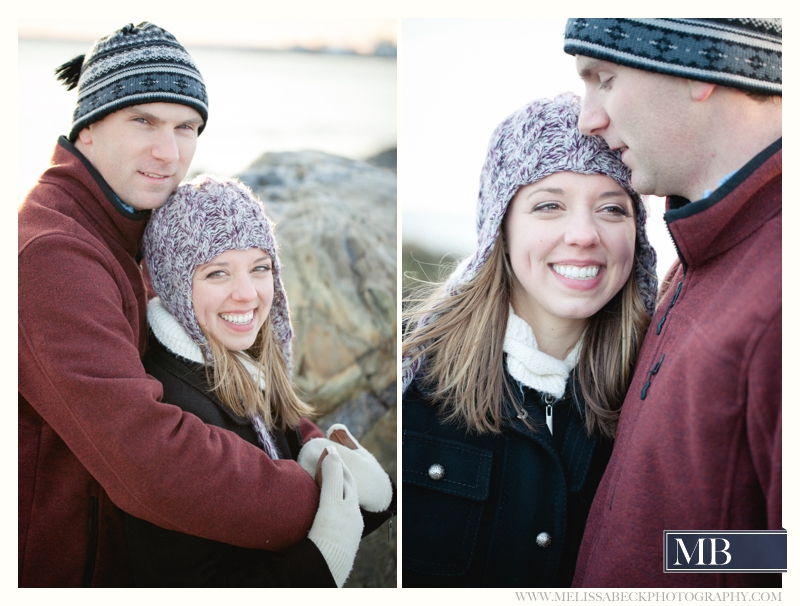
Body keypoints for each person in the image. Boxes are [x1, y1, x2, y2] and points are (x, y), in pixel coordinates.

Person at [18, 22, 360, 587]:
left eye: (187, 128)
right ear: (89, 125)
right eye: (143, 121)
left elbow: (222, 359)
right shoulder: (51, 254)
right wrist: (314, 496)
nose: (168, 152)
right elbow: (147, 455)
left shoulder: (138, 223)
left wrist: (312, 445)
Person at [401, 93, 657, 587]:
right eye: (549, 205)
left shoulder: (654, 394)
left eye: (611, 208)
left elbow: (739, 553)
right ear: (501, 226)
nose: (583, 234)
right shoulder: (412, 379)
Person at [563, 18, 782, 587]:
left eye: (604, 78)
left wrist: (676, 566)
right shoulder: (697, 255)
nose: (589, 119)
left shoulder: (780, 293)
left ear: (700, 67)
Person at [123, 175, 393, 587]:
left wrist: (356, 489)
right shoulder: (176, 408)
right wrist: (321, 562)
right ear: (176, 286)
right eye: (217, 273)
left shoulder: (245, 367)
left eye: (260, 268)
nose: (247, 294)